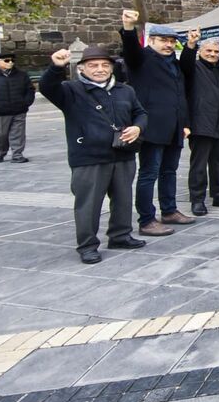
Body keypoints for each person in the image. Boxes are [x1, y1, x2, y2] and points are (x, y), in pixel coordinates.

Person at [40, 46, 148, 264]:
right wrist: (56, 67)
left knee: (123, 199)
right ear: (82, 69)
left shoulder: (125, 90)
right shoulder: (70, 90)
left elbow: (140, 113)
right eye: (93, 65)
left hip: (122, 154)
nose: (100, 69)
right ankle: (88, 245)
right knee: (88, 204)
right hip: (89, 158)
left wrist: (138, 128)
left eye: (105, 65)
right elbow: (47, 87)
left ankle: (120, 235)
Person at [119, 10, 192, 235]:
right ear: (151, 41)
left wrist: (185, 123)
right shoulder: (141, 59)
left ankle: (169, 210)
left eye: (171, 41)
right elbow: (130, 51)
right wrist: (128, 28)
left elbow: (182, 94)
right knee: (149, 172)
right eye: (163, 40)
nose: (168, 45)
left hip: (174, 127)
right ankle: (146, 219)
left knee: (170, 170)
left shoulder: (174, 63)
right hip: (151, 126)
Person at [178, 30, 219, 216]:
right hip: (201, 122)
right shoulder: (193, 67)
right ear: (200, 51)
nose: (212, 54)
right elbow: (185, 63)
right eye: (208, 51)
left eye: (215, 51)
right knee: (199, 164)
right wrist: (191, 44)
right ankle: (197, 199)